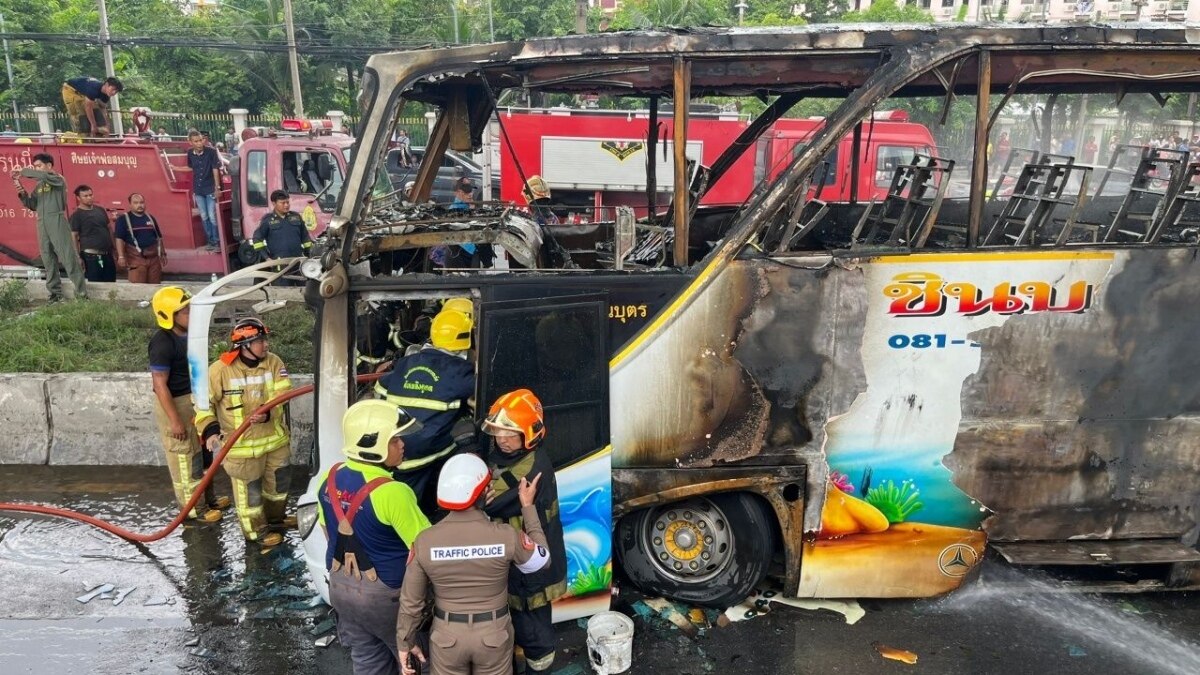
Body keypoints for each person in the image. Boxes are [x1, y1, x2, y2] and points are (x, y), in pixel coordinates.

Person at [396, 453, 551, 675]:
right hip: (494, 636)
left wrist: (404, 642)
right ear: (482, 494)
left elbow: (411, 602)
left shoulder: (425, 541)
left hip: (446, 638)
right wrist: (527, 506)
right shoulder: (506, 536)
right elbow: (542, 560)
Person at [317, 399, 432, 675]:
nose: (402, 445)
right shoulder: (393, 492)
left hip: (342, 593)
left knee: (369, 663)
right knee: (417, 663)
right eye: (395, 440)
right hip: (387, 603)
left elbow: (326, 531)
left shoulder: (329, 480)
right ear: (374, 445)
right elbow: (426, 548)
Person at [481, 389, 567, 674]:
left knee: (533, 630)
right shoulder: (505, 456)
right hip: (515, 559)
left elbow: (489, 503)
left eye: (510, 433)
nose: (501, 440)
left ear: (530, 433)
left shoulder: (532, 466)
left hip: (530, 568)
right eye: (497, 432)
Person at [195, 318, 293, 548]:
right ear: (244, 344)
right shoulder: (220, 371)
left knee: (278, 488)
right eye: (260, 341)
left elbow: (284, 394)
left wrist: (269, 413)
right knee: (250, 496)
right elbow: (201, 404)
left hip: (275, 442)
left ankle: (276, 521)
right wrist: (210, 430)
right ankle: (256, 533)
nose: (266, 345)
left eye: (265, 340)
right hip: (241, 450)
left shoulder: (274, 363)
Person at [374, 308, 475, 507]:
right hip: (424, 454)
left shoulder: (407, 362)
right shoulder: (460, 372)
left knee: (399, 500)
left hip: (394, 447)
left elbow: (381, 386)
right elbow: (484, 391)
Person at [149, 287, 231, 523]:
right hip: (175, 403)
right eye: (184, 311)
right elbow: (160, 385)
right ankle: (193, 509)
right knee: (186, 457)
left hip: (195, 400)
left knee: (204, 453)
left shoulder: (191, 336)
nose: (190, 314)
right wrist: (175, 420)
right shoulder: (162, 343)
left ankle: (208, 499)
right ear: (169, 315)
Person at [12, 153, 88, 302]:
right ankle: (55, 293)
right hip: (42, 221)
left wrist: (23, 171)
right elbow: (32, 205)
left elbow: (44, 176)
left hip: (57, 219)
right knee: (47, 258)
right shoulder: (39, 186)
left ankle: (82, 294)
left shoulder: (57, 179)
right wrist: (20, 190)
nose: (37, 169)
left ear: (49, 166)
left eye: (39, 166)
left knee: (68, 257)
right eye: (35, 167)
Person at [114, 193, 166, 284]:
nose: (139, 205)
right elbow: (119, 239)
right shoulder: (123, 219)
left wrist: (163, 253)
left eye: (141, 202)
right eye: (136, 203)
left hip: (153, 259)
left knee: (155, 286)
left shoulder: (150, 218)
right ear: (130, 204)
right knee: (138, 287)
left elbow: (159, 238)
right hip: (136, 259)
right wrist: (121, 256)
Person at [69, 184, 116, 283]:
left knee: (111, 284)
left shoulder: (100, 210)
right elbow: (74, 236)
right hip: (91, 257)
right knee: (96, 285)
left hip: (107, 254)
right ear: (78, 198)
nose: (89, 198)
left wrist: (115, 248)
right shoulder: (77, 215)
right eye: (85, 196)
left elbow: (109, 229)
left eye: (90, 195)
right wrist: (77, 257)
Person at [251, 190, 314, 261]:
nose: (286, 205)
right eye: (283, 203)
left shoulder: (296, 217)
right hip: (279, 264)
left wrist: (309, 255)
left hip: (298, 261)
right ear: (274, 204)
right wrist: (267, 258)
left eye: (287, 202)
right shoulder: (267, 220)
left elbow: (306, 238)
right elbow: (257, 240)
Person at [186, 130, 223, 250]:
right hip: (198, 189)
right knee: (204, 216)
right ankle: (211, 241)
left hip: (210, 188)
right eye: (196, 141)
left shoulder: (211, 152)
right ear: (190, 142)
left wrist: (217, 188)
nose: (199, 143)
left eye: (201, 140)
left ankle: (217, 242)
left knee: (212, 216)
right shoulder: (190, 153)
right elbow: (190, 168)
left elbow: (215, 170)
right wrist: (174, 168)